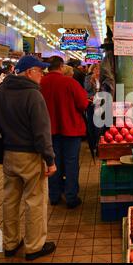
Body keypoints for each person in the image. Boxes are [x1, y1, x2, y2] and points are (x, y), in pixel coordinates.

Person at [0, 55, 57, 261]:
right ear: (29, 72)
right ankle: (34, 246)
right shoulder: (33, 95)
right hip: (30, 155)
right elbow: (41, 132)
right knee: (35, 201)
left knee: (10, 200)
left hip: (9, 154)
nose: (42, 75)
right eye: (40, 71)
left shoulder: (1, 91)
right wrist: (50, 159)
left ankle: (10, 244)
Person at [40, 56, 89, 208]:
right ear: (61, 66)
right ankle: (71, 197)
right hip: (71, 130)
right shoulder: (69, 82)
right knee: (71, 163)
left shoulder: (40, 83)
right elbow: (83, 104)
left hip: (49, 130)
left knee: (53, 162)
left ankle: (54, 196)